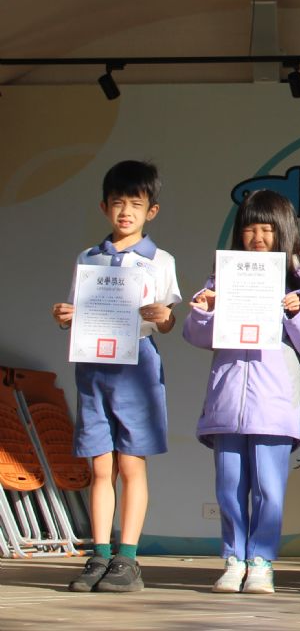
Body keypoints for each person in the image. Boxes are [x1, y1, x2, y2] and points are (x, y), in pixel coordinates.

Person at [182, 189, 300, 593]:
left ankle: (262, 561)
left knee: (269, 488)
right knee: (229, 487)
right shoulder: (223, 276)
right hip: (227, 402)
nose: (258, 237)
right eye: (250, 229)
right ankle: (234, 559)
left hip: (273, 404)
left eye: (267, 229)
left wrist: (299, 311)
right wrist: (205, 310)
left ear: (284, 232)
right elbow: (196, 336)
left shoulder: (299, 282)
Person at [53, 160, 181, 593]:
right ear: (104, 206)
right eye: (118, 202)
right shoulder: (88, 258)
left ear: (152, 211)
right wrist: (66, 316)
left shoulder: (160, 260)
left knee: (131, 463)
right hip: (93, 363)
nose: (126, 211)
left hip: (137, 362)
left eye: (136, 204)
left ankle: (127, 558)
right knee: (100, 464)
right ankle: (99, 554)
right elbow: (78, 313)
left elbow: (167, 321)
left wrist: (164, 317)